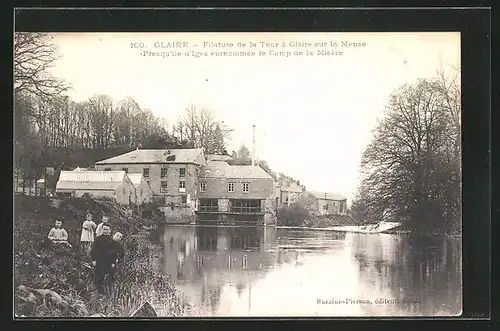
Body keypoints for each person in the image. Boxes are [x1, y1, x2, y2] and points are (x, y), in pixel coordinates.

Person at [90, 223, 118, 294]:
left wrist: (113, 262)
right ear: (102, 229)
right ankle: (98, 292)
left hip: (108, 261)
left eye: (107, 229)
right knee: (98, 276)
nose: (105, 231)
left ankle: (105, 292)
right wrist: (93, 260)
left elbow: (114, 253)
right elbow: (94, 250)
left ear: (110, 231)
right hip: (99, 260)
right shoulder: (98, 239)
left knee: (106, 277)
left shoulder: (112, 241)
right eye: (104, 229)